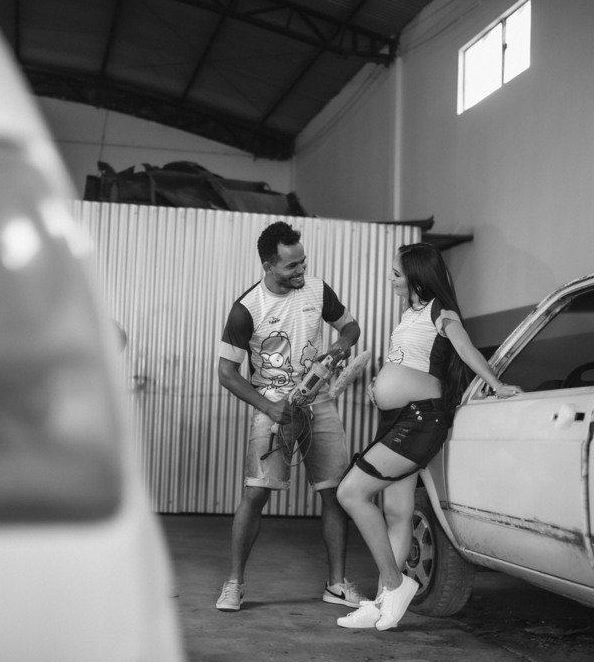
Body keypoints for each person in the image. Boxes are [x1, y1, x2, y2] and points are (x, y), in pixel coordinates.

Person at [334, 243, 522, 630]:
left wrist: (496, 384)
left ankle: (395, 582)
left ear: (417, 277)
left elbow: (466, 349)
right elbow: (407, 363)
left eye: (396, 273)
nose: (391, 279)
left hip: (420, 421)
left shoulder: (441, 312)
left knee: (351, 492)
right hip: (396, 419)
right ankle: (384, 603)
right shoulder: (409, 314)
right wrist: (381, 384)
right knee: (397, 512)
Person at [215, 221, 365, 612]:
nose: (301, 270)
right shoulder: (246, 309)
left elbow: (351, 327)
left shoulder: (317, 290)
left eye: (303, 262)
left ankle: (336, 585)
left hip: (319, 401)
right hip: (273, 406)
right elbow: (226, 373)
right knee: (255, 493)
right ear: (268, 266)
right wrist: (267, 407)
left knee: (334, 491)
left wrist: (340, 346)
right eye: (291, 266)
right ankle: (234, 584)